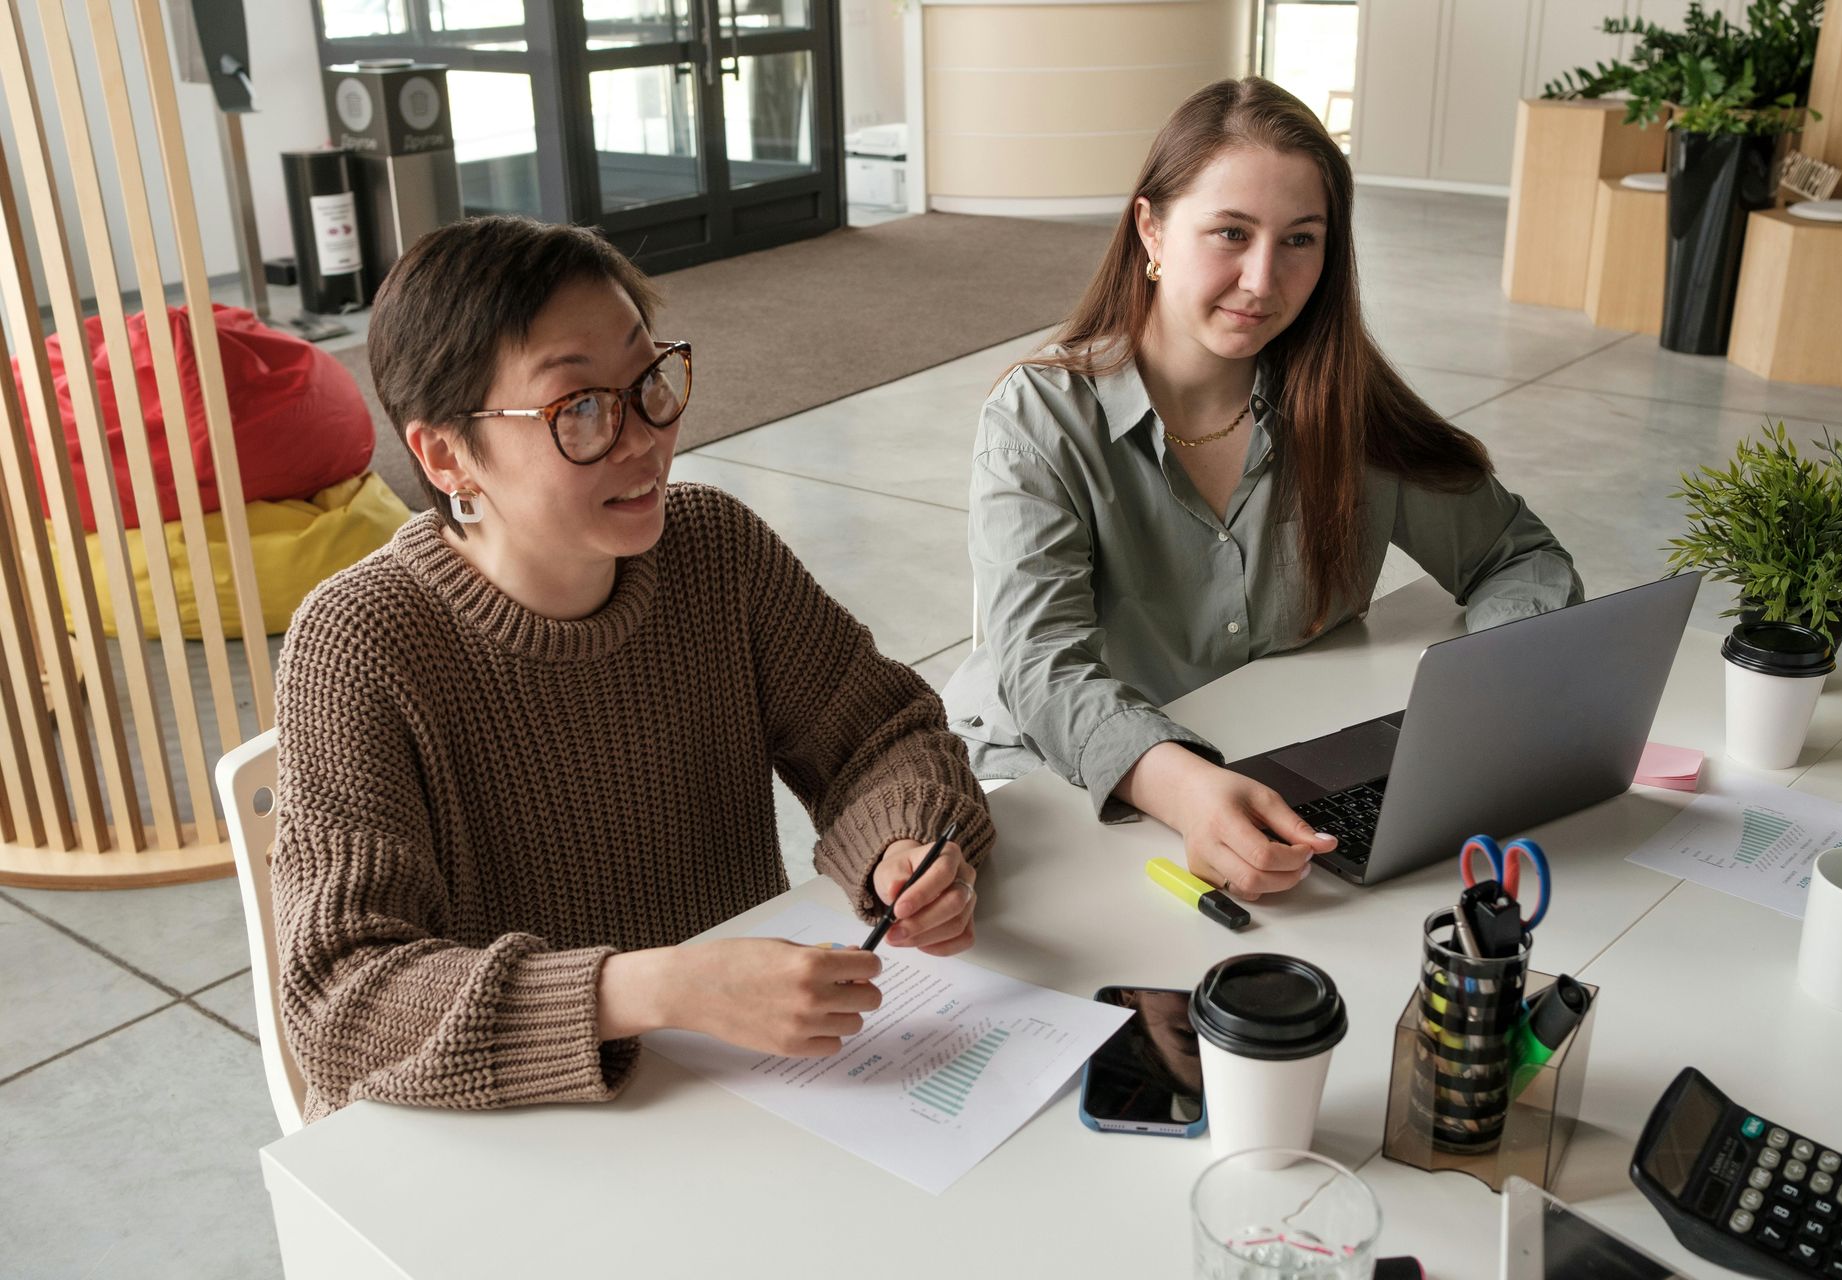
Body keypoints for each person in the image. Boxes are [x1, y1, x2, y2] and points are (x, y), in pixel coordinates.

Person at [273, 215, 992, 1121]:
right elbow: (343, 1000)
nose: (644, 437)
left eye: (648, 379)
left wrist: (900, 845)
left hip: (750, 1088)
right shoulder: (360, 645)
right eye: (577, 408)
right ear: (447, 454)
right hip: (515, 1131)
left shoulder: (713, 550)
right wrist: (658, 991)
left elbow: (883, 736)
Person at [944, 78, 1579, 902]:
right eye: (1231, 233)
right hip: (1053, 779)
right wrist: (1185, 788)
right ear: (1152, 228)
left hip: (1272, 770)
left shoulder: (1348, 404)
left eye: (1300, 240)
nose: (1261, 280)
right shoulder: (1039, 416)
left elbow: (1513, 554)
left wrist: (1494, 686)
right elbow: (1045, 669)